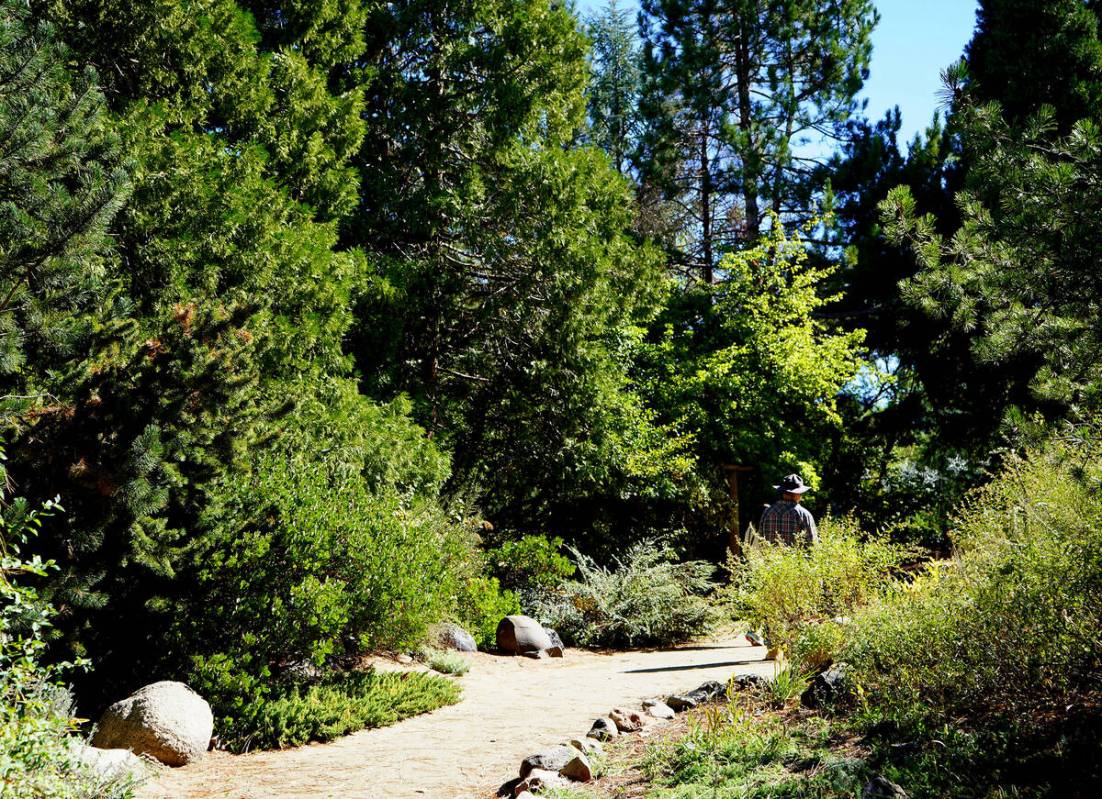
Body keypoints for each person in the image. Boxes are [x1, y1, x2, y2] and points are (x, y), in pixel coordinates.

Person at [758, 474, 818, 545]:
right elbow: (813, 544)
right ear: (797, 494)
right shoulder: (803, 514)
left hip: (770, 555)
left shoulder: (767, 512)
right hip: (795, 556)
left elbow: (761, 538)